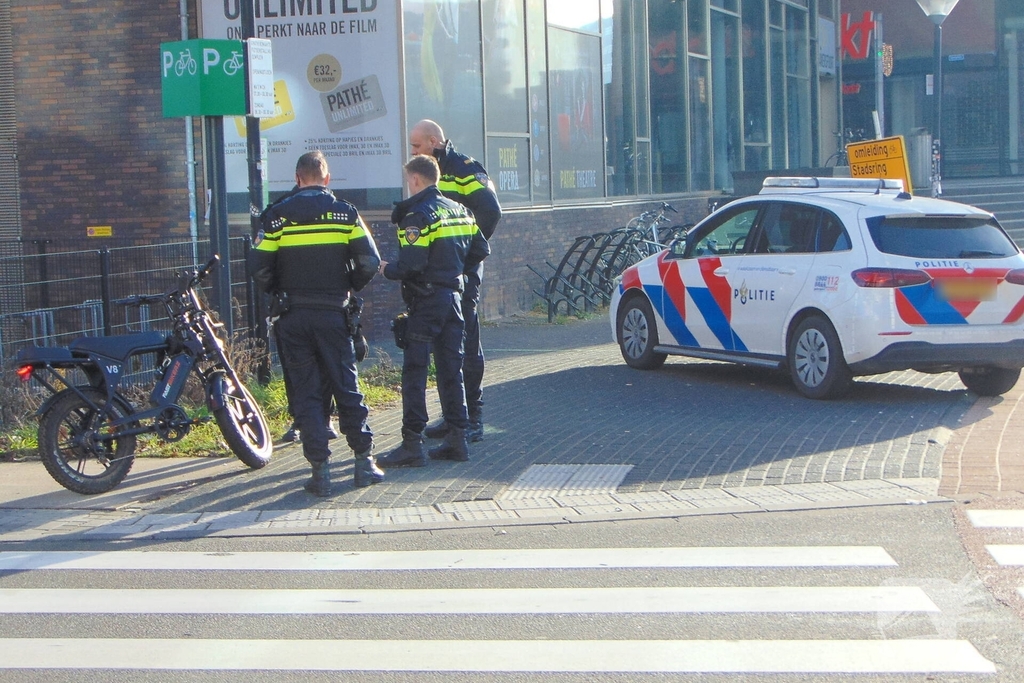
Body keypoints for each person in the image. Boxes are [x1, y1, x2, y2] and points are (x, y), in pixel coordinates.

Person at [248, 150, 383, 496]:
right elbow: (369, 261)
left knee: (306, 391)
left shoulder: (276, 217)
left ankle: (319, 472)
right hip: (333, 313)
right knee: (346, 384)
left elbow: (259, 267)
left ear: (297, 179)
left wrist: (279, 289)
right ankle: (363, 462)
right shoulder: (345, 214)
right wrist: (346, 286)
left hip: (293, 316)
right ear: (327, 179)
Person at [376, 154, 490, 467]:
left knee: (415, 371)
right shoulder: (460, 210)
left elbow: (412, 264)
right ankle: (458, 439)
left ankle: (412, 444)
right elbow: (481, 250)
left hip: (426, 301)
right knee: (451, 369)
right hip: (454, 299)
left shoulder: (418, 214)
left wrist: (388, 269)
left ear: (414, 179)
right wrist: (453, 271)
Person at [408, 119, 501, 443]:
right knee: (445, 345)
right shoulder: (428, 173)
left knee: (466, 341)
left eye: (416, 146)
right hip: (438, 275)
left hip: (462, 269)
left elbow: (490, 211)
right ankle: (452, 417)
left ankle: (472, 416)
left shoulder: (464, 169)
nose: (413, 151)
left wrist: (465, 256)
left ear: (434, 141)